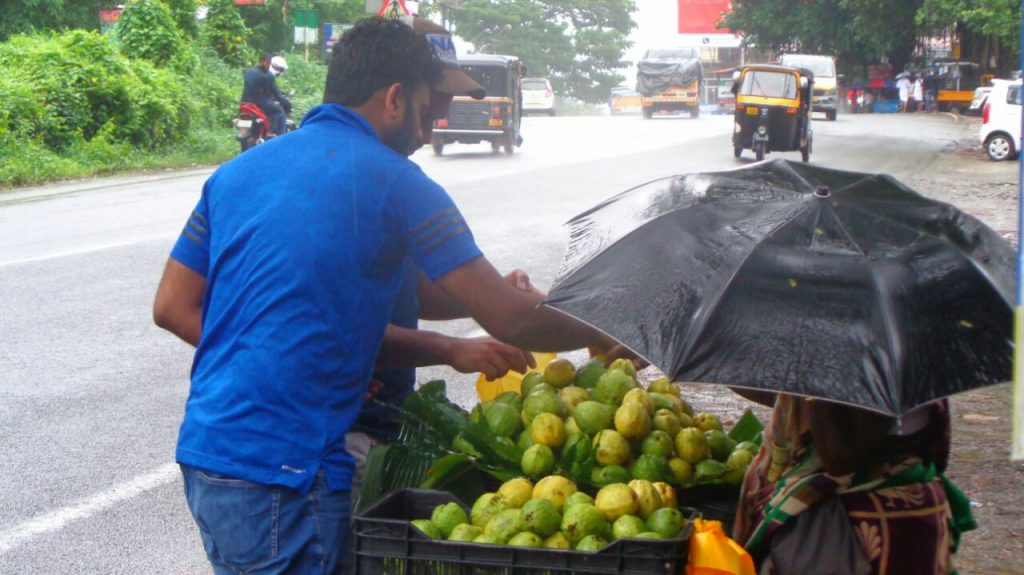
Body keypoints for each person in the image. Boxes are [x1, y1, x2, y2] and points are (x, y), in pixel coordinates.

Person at [152, 17, 619, 575]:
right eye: (425, 111)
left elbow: (173, 307)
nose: (427, 132)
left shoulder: (235, 174)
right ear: (394, 99)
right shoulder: (395, 181)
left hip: (209, 457)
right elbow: (510, 319)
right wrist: (610, 326)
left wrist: (283, 354)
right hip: (290, 473)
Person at [345, 16, 519, 506]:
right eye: (432, 100)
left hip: (364, 423)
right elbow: (339, 329)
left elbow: (404, 291)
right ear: (395, 95)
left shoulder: (265, 170)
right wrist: (451, 347)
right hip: (331, 437)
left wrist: (480, 295)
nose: (437, 116)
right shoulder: (390, 182)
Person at [732, 392, 976, 574]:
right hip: (919, 509)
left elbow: (840, 457)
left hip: (855, 528)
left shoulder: (866, 364)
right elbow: (936, 450)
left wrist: (814, 387)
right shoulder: (911, 346)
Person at [241, 52, 291, 137]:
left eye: (270, 64)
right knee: (279, 111)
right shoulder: (267, 76)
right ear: (262, 61)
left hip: (245, 102)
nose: (268, 66)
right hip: (259, 103)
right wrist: (287, 104)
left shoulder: (248, 72)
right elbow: (277, 95)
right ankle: (271, 133)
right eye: (268, 63)